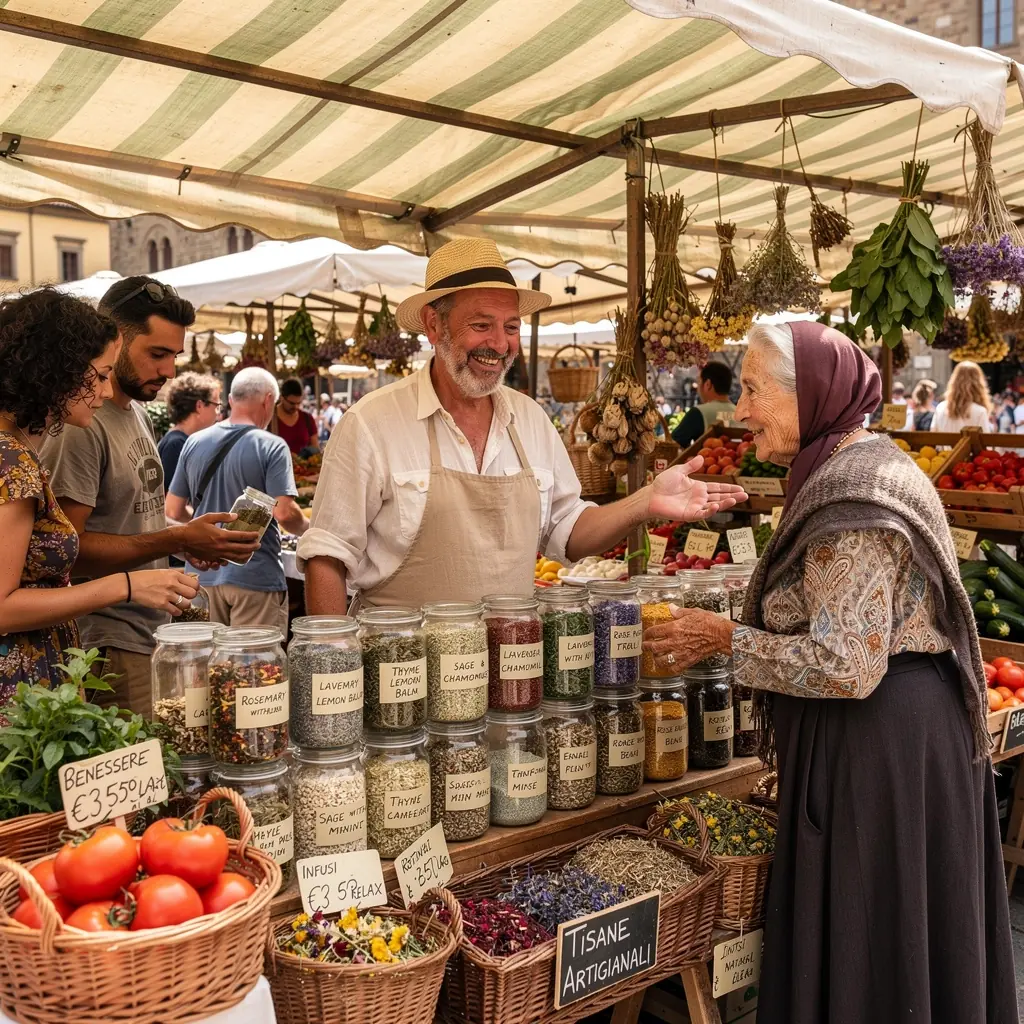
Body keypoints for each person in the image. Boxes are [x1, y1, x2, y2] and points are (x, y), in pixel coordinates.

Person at [641, 321, 1017, 1024]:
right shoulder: (851, 463)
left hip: (880, 748)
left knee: (873, 937)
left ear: (809, 393)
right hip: (888, 737)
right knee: (890, 940)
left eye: (754, 390)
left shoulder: (856, 496)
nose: (741, 409)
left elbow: (847, 664)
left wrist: (728, 638)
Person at [297, 238, 744, 613]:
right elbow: (327, 557)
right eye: (480, 325)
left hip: (512, 671)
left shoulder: (529, 420)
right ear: (435, 326)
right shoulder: (372, 424)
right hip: (400, 678)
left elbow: (567, 533)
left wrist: (645, 502)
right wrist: (333, 668)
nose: (499, 343)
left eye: (510, 326)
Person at [40, 276, 260, 712]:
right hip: (107, 642)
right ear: (114, 340)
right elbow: (64, 551)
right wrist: (177, 539)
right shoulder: (84, 425)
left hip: (152, 634)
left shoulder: (135, 411)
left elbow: (135, 521)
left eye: (173, 355)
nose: (168, 371)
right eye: (157, 354)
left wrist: (189, 536)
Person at [0, 289, 198, 701]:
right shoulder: (12, 461)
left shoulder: (16, 450)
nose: (107, 392)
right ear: (57, 369)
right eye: (101, 375)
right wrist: (125, 586)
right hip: (21, 692)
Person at [166, 367, 308, 635]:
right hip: (255, 577)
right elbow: (285, 513)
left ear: (231, 400)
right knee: (253, 670)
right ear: (268, 401)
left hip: (202, 578)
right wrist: (311, 530)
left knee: (209, 668)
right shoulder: (272, 446)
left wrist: (210, 531)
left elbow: (173, 509)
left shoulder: (194, 441)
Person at [158, 371, 222, 485]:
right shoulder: (176, 444)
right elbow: (169, 499)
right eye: (216, 405)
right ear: (199, 406)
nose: (218, 413)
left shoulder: (181, 440)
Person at [670, 362, 736, 447]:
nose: (698, 387)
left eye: (699, 381)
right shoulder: (742, 415)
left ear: (708, 384)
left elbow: (672, 445)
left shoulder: (698, 413)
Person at [931, 361, 992, 432]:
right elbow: (985, 441)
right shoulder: (980, 412)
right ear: (978, 384)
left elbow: (933, 433)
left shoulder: (940, 407)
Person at [271, 377, 319, 454]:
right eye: (292, 403)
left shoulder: (307, 419)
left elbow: (315, 448)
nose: (296, 407)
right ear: (282, 398)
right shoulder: (269, 418)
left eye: (298, 403)